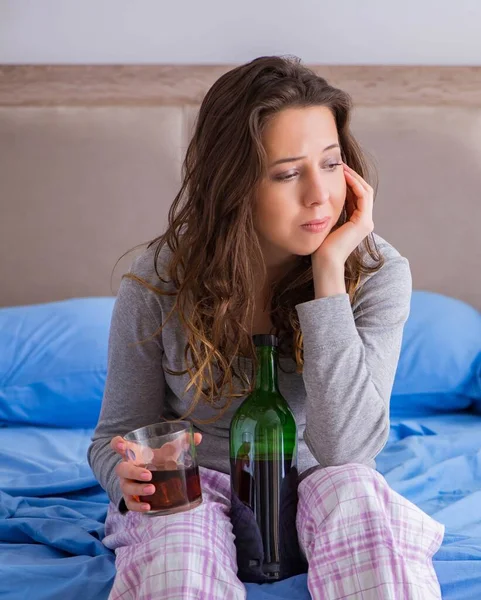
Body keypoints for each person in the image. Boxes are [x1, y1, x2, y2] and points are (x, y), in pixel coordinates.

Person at [87, 55, 445, 600]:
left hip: (322, 486)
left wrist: (329, 276)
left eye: (330, 164)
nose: (319, 195)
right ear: (232, 185)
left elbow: (348, 450)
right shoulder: (158, 281)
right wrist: (127, 477)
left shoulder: (375, 271)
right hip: (196, 491)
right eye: (286, 173)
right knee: (180, 553)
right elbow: (114, 434)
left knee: (357, 498)